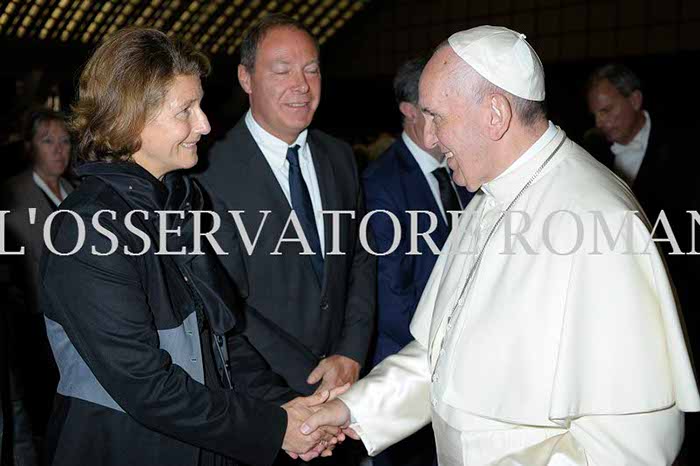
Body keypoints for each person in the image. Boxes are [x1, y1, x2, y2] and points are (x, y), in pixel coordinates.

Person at [301, 26, 700, 465]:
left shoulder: (599, 220)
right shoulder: (489, 196)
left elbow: (632, 445)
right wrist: (351, 409)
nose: (430, 138)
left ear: (494, 114)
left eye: (438, 116)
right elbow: (440, 356)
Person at [39, 27, 341, 466]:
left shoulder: (173, 205)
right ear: (130, 118)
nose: (204, 124)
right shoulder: (84, 229)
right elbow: (146, 386)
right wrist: (275, 428)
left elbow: (221, 338)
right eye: (186, 110)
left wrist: (292, 410)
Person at [198, 12, 375, 440]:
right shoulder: (206, 173)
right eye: (282, 71)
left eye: (311, 70)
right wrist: (308, 383)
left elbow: (360, 260)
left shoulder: (340, 157)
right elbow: (224, 302)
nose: (301, 85)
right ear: (246, 78)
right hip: (265, 401)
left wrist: (350, 353)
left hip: (342, 387)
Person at [362, 57, 473, 466]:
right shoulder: (381, 185)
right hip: (408, 368)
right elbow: (391, 299)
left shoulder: (466, 171)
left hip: (461, 371)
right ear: (410, 112)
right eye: (437, 112)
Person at [1, 109, 73, 466]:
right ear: (30, 147)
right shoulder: (11, 196)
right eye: (48, 141)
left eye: (65, 140)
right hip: (34, 322)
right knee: (43, 406)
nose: (59, 150)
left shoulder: (77, 191)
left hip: (77, 321)